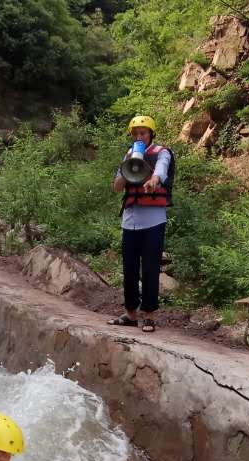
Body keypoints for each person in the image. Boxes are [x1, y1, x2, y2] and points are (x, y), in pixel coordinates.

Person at [109, 115, 173, 334]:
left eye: (143, 133)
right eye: (135, 134)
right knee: (129, 269)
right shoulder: (128, 154)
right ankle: (130, 314)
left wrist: (154, 179)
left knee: (150, 268)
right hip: (130, 221)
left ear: (150, 134)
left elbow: (161, 171)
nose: (139, 137)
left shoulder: (162, 153)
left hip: (153, 221)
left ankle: (150, 315)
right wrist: (128, 168)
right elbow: (117, 187)